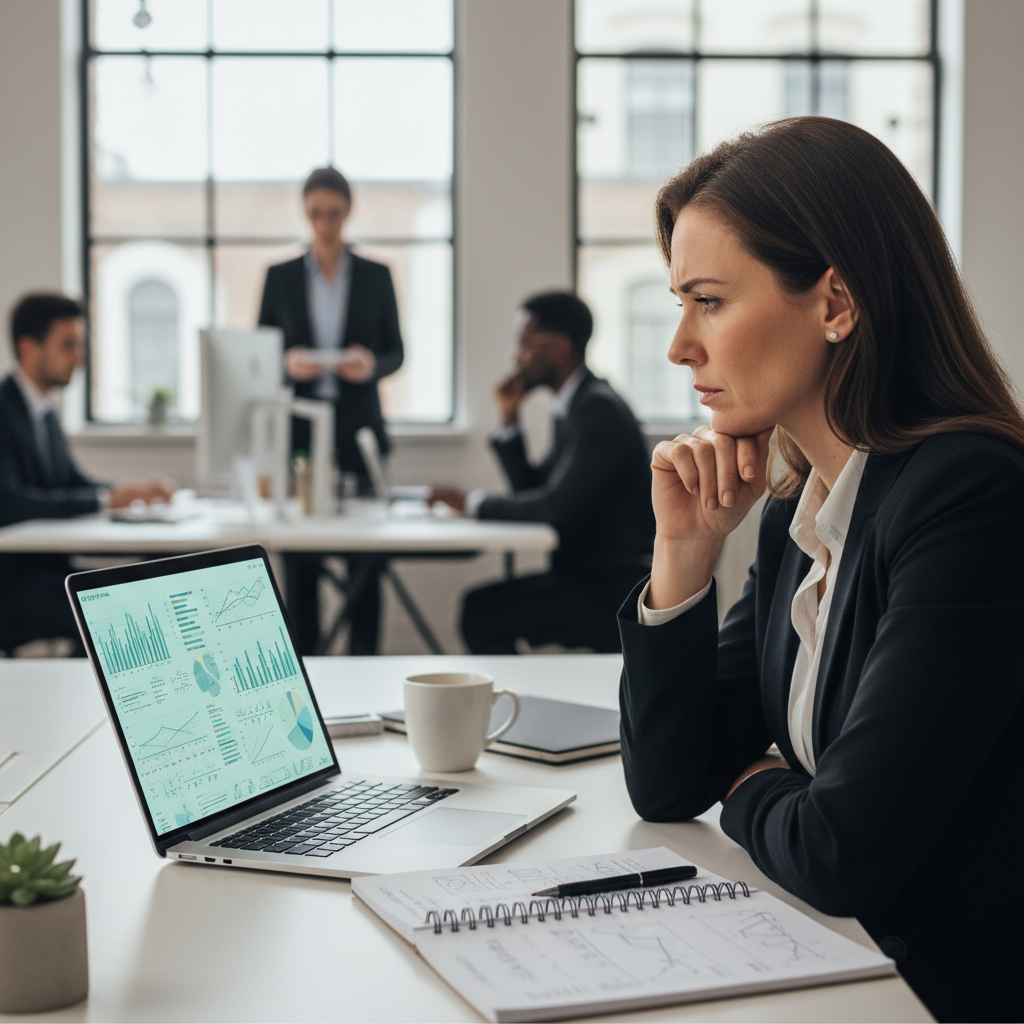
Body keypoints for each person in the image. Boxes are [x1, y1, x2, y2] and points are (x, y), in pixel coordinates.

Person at [617, 116, 1023, 1023]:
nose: (682, 345)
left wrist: (753, 779)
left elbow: (844, 851)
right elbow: (669, 781)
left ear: (836, 304)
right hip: (828, 961)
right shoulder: (802, 515)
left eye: (710, 301)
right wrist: (685, 555)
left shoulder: (970, 497)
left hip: (930, 994)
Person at [431, 291, 655, 654]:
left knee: (482, 611)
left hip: (612, 588)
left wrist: (473, 503)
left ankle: (510, 705)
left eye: (524, 344)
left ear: (559, 347)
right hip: (589, 578)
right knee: (483, 608)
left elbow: (554, 507)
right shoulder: (577, 404)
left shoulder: (598, 411)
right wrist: (509, 419)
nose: (515, 357)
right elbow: (533, 490)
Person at [258, 166, 404, 655]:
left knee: (366, 561)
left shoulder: (375, 275)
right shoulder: (279, 277)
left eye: (334, 214)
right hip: (300, 428)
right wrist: (285, 362)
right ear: (305, 213)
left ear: (348, 212)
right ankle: (308, 663)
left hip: (358, 427)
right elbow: (262, 351)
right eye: (316, 214)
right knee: (301, 564)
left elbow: (396, 352)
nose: (325, 224)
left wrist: (370, 364)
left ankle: (363, 662)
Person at [0, 293, 174, 653]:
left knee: (142, 586)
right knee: (110, 612)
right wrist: (106, 499)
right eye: (68, 346)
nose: (80, 358)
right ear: (28, 348)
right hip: (14, 583)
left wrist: (129, 490)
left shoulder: (43, 410)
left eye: (80, 346)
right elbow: (9, 502)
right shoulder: (4, 409)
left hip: (45, 572)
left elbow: (71, 482)